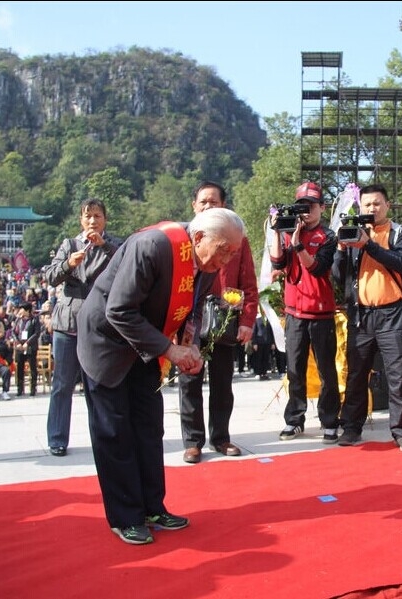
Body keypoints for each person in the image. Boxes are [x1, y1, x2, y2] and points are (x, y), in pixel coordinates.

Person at [77, 208, 246, 545]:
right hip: (108, 343)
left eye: (233, 253)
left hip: (147, 345)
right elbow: (119, 311)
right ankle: (125, 517)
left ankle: (153, 507)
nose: (226, 259)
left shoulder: (207, 262)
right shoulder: (153, 246)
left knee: (149, 426)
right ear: (198, 239)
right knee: (115, 432)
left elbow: (193, 308)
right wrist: (170, 352)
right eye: (223, 249)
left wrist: (190, 345)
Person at [332, 183, 402, 452]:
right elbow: (337, 276)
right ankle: (351, 428)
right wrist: (341, 249)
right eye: (367, 204)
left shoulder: (399, 231)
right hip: (360, 314)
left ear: (387, 205)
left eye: (377, 203)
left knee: (398, 375)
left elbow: (401, 262)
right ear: (360, 206)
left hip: (392, 312)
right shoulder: (353, 232)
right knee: (356, 374)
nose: (372, 208)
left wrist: (368, 244)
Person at [179, 181, 258, 464]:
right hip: (190, 321)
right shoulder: (184, 239)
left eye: (214, 202)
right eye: (203, 202)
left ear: (223, 206)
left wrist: (247, 320)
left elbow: (249, 282)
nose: (208, 206)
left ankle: (221, 437)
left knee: (223, 383)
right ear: (194, 207)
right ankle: (192, 441)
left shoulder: (238, 239)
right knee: (190, 381)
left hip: (224, 320)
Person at [45, 198, 119, 457]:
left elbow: (125, 272)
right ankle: (57, 438)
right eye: (88, 217)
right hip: (68, 325)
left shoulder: (115, 247)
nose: (92, 221)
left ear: (104, 220)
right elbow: (51, 276)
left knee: (98, 384)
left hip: (98, 324)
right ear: (81, 220)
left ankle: (103, 437)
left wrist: (105, 247)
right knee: (62, 383)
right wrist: (69, 265)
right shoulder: (69, 245)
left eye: (97, 216)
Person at [269, 181, 341, 444]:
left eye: (311, 205)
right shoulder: (289, 232)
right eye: (302, 206)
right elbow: (278, 262)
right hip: (294, 313)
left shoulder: (329, 236)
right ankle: (294, 419)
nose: (306, 211)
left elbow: (318, 268)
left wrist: (298, 244)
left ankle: (330, 420)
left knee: (326, 371)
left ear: (322, 207)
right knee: (294, 370)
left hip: (320, 314)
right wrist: (277, 232)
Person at [11, 302, 40, 397]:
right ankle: (20, 388)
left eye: (22, 309)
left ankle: (33, 388)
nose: (20, 311)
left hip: (30, 347)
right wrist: (18, 342)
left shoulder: (34, 320)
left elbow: (36, 333)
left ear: (27, 310)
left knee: (32, 368)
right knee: (19, 368)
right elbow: (13, 332)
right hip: (20, 346)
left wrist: (27, 343)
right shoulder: (18, 320)